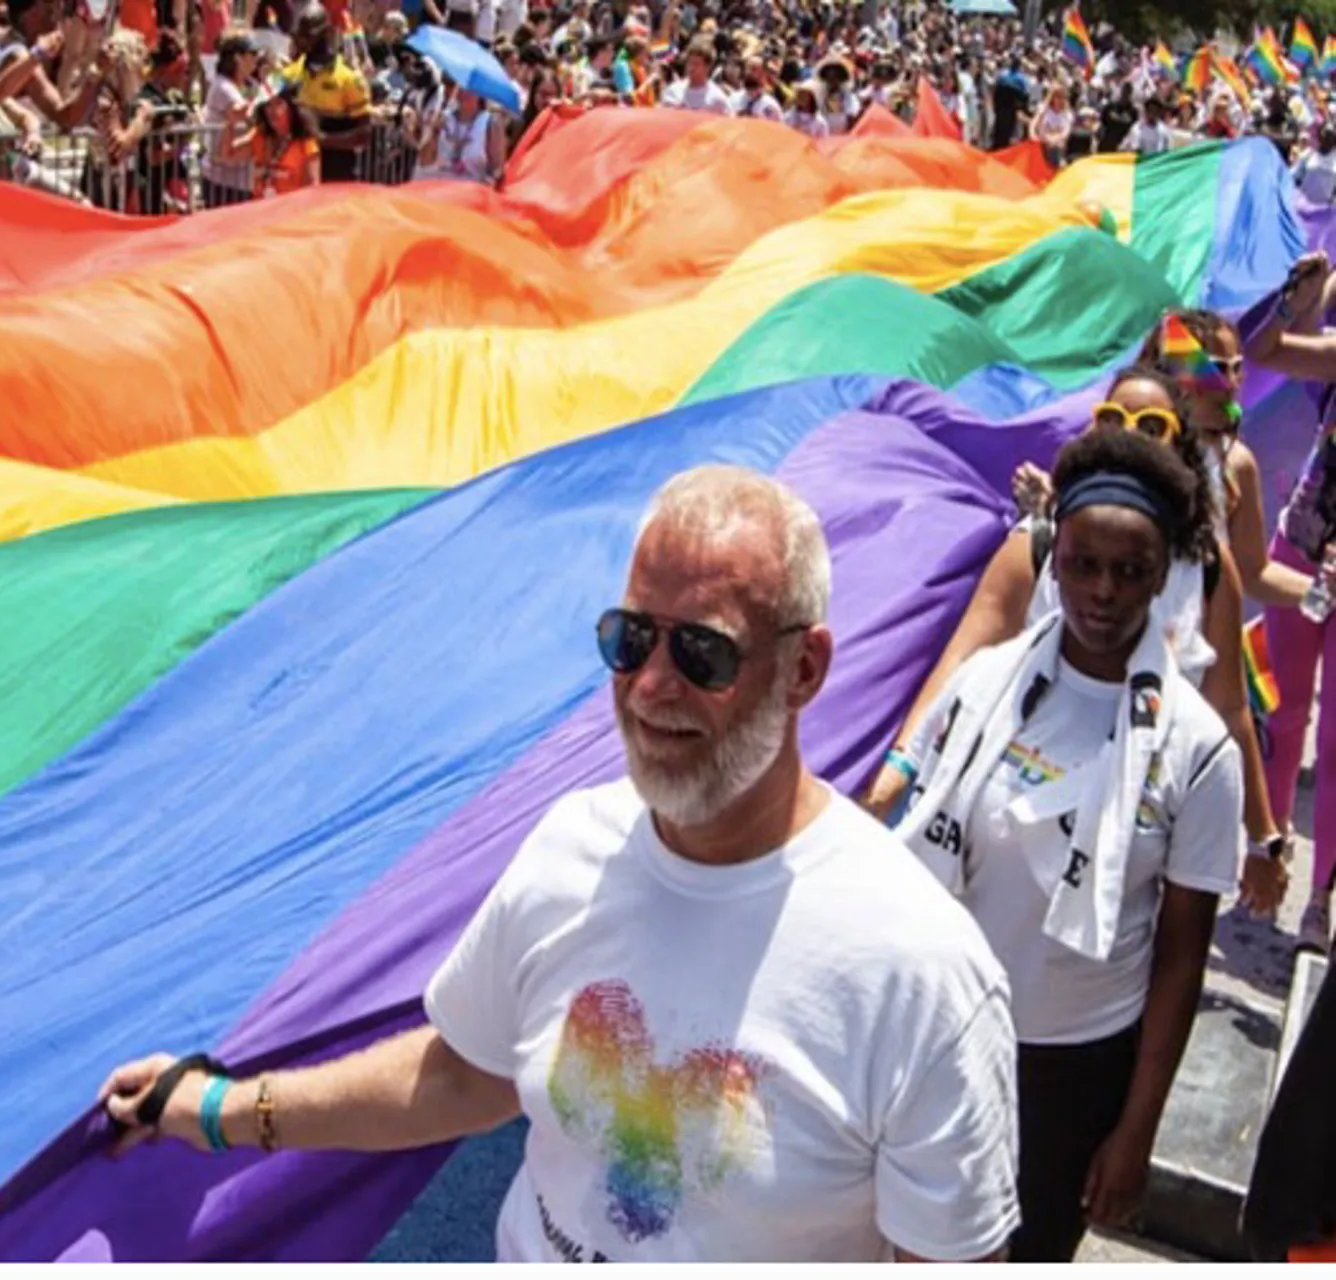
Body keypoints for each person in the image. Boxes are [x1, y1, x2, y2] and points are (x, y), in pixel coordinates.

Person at [100, 467, 1021, 1264]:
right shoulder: (571, 849)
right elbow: (463, 1076)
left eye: (701, 651)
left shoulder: (921, 973)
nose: (653, 684)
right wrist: (221, 1108)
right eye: (630, 639)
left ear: (805, 670)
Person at [893, 427, 1242, 1262]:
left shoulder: (1198, 750)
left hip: (1071, 1075)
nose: (1103, 591)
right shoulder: (984, 688)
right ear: (1056, 562)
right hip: (942, 1037)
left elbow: (1180, 958)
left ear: (1163, 577)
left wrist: (1136, 1131)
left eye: (1130, 572)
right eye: (1083, 564)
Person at [866, 362, 1289, 919]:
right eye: (1113, 418)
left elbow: (1230, 706)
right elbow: (963, 661)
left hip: (1136, 826)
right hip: (1009, 811)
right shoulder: (1036, 547)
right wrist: (899, 769)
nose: (1129, 434)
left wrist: (1262, 839)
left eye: (1151, 424)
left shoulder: (1207, 569)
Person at [1244, 253, 1336, 951]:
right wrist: (1298, 300)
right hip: (1300, 547)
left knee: (1334, 743)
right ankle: (1266, 859)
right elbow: (1264, 352)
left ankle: (1321, 902)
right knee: (1280, 713)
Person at [284, 4, 371, 183]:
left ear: (326, 35)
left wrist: (322, 139)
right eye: (298, 36)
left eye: (307, 36)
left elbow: (364, 133)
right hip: (298, 176)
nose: (300, 41)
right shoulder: (289, 74)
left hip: (337, 174)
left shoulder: (349, 79)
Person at [201, 27, 259, 207]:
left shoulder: (245, 86)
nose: (256, 59)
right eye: (252, 53)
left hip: (238, 179)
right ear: (237, 58)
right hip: (223, 182)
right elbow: (245, 114)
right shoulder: (223, 87)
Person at [1296, 124, 1336, 207]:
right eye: (1326, 135)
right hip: (1302, 206)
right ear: (1320, 137)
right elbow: (1295, 178)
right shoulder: (1308, 154)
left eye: (1331, 135)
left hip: (1323, 210)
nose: (1327, 138)